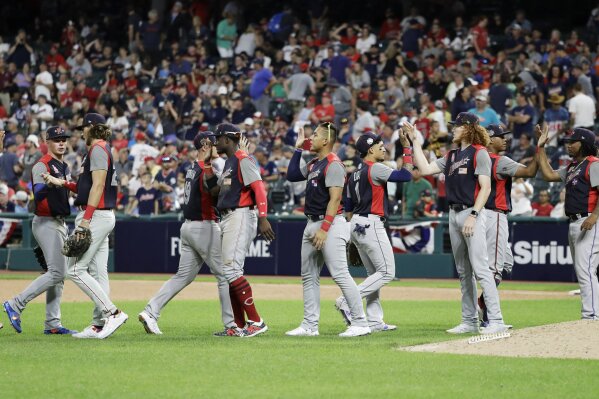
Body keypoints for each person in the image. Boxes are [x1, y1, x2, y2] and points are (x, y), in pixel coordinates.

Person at [406, 112, 509, 334]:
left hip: (471, 213)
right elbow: (425, 169)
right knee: (464, 272)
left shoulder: (479, 152)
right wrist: (415, 142)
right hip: (453, 214)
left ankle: (497, 320)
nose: (453, 129)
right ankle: (469, 320)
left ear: (469, 128)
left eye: (457, 126)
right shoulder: (452, 155)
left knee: (481, 269)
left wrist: (473, 214)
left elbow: (487, 188)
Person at [139, 132, 237, 336]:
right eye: (212, 142)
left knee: (183, 276)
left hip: (188, 227)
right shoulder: (204, 169)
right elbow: (216, 193)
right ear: (204, 146)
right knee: (225, 275)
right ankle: (231, 326)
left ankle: (151, 311)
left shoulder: (192, 167)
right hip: (205, 227)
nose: (217, 144)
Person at [286, 122, 370, 337]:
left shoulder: (333, 164)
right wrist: (297, 149)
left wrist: (324, 229)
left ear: (325, 141)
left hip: (330, 224)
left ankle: (360, 322)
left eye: (314, 135)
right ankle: (309, 326)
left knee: (340, 274)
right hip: (312, 222)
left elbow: (335, 199)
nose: (310, 138)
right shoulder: (315, 163)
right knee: (309, 276)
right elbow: (293, 174)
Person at [335, 131, 413, 332]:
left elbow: (348, 207)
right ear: (370, 150)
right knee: (387, 273)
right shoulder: (375, 168)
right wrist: (407, 149)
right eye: (380, 146)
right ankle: (347, 300)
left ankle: (375, 321)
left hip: (356, 223)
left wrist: (354, 236)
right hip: (371, 222)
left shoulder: (354, 174)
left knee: (373, 274)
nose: (384, 148)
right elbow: (405, 175)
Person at [2, 127, 77, 335]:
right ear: (47, 142)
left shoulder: (64, 166)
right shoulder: (41, 165)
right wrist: (50, 184)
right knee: (58, 272)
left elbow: (66, 191)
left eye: (64, 139)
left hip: (60, 222)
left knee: (58, 275)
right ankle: (16, 304)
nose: (61, 143)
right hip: (46, 222)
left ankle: (52, 324)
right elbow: (37, 195)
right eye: (57, 140)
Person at [209, 123, 275, 337]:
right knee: (229, 272)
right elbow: (216, 191)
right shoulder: (230, 162)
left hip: (241, 214)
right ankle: (238, 326)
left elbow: (259, 188)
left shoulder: (242, 160)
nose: (215, 142)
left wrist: (263, 218)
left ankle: (256, 321)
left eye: (218, 138)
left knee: (231, 270)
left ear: (227, 140)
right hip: (228, 216)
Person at [65, 113, 128, 339]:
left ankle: (113, 312)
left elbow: (99, 184)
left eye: (83, 127)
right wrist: (63, 183)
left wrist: (86, 219)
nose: (81, 131)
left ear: (92, 128)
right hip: (100, 214)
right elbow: (88, 186)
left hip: (96, 216)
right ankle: (98, 324)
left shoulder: (99, 149)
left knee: (74, 269)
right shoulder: (99, 149)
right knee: (99, 272)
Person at [478, 124, 539, 326]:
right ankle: (488, 316)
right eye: (500, 136)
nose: (505, 139)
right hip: (493, 214)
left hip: (476, 215)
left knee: (505, 263)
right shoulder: (498, 160)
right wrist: (540, 147)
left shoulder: (475, 158)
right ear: (489, 139)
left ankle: (479, 304)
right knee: (495, 268)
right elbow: (530, 171)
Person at [537, 127, 599, 320]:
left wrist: (594, 216)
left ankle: (592, 315)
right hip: (575, 221)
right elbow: (548, 175)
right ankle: (591, 313)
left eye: (573, 142)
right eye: (567, 142)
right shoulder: (573, 166)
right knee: (584, 269)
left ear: (585, 144)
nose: (569, 145)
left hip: (589, 219)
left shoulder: (593, 164)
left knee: (586, 269)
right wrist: (541, 147)